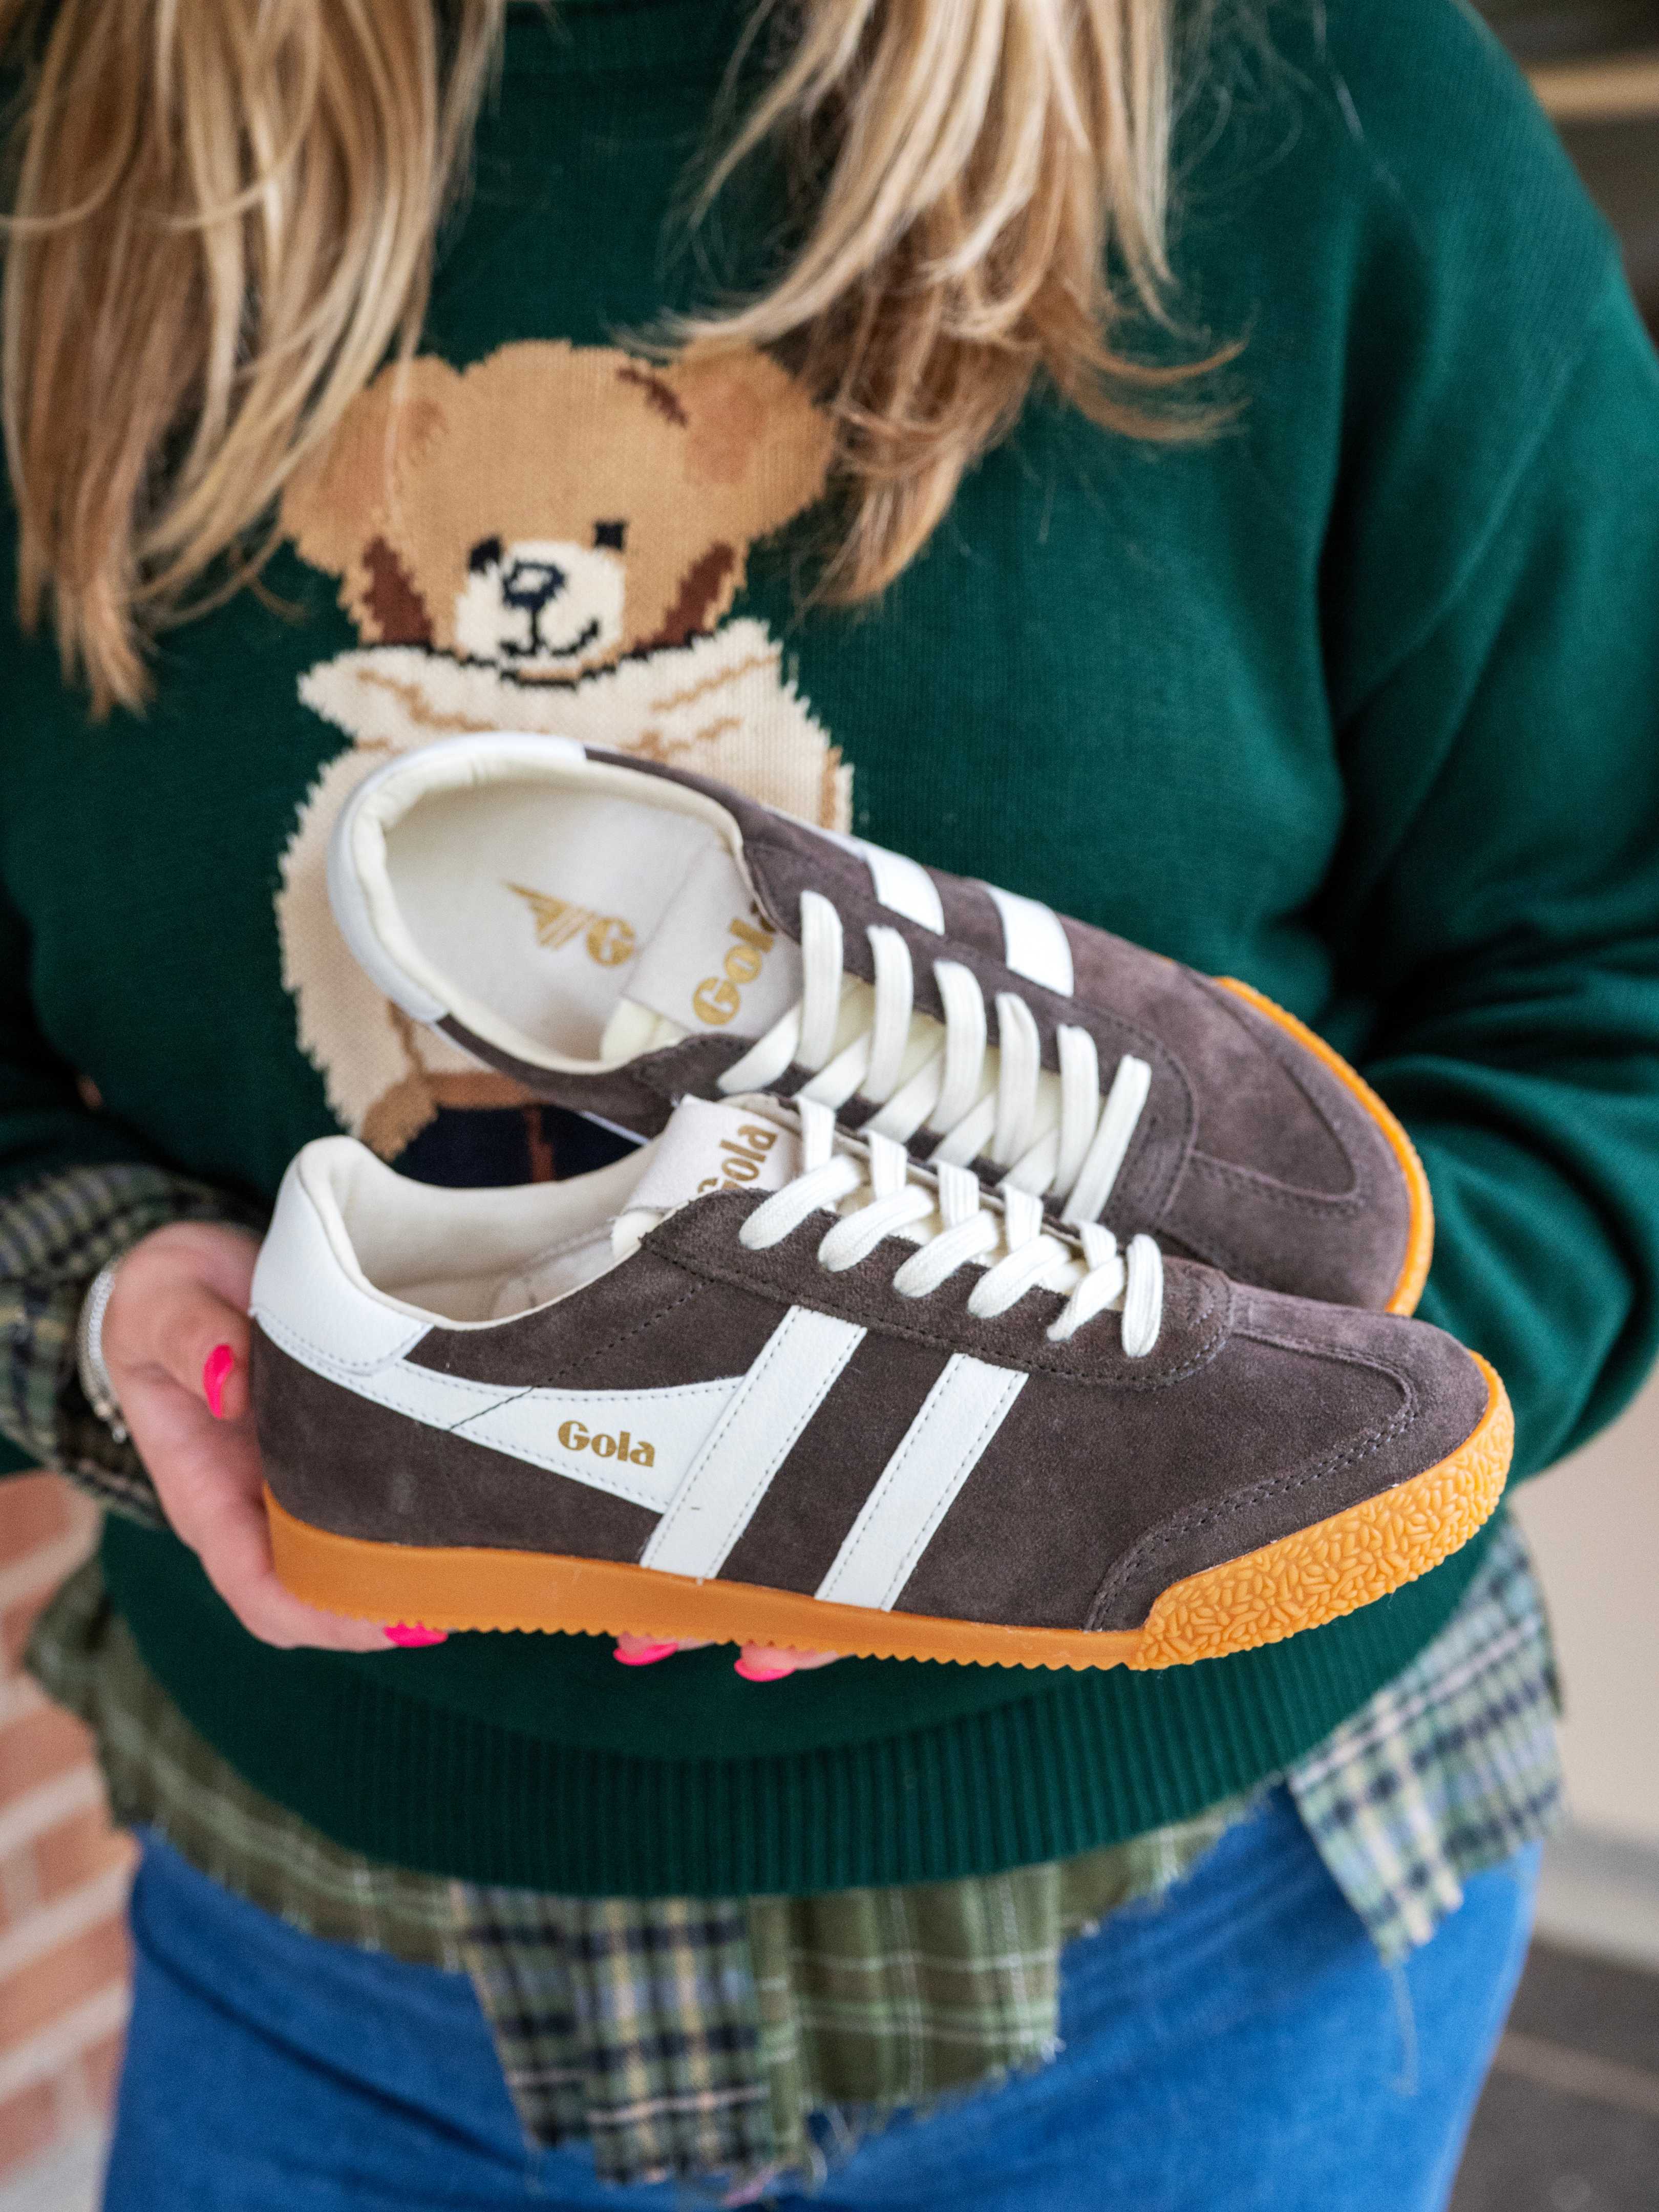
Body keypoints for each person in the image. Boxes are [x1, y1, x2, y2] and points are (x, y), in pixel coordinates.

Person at [2, 1, 1656, 2204]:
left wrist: (1306, 1420)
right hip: (322, 1947)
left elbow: (1618, 963)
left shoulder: (1331, 97)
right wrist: (108, 1308)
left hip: (1229, 1920)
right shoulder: (48, 173)